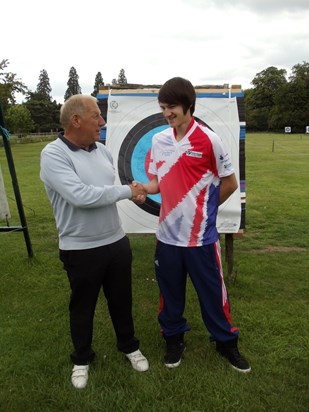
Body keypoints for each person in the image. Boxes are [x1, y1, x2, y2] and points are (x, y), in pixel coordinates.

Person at [40, 94, 149, 389]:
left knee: (121, 301)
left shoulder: (103, 151)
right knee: (82, 307)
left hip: (115, 242)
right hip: (80, 248)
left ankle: (129, 346)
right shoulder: (53, 154)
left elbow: (103, 190)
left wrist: (126, 190)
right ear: (75, 120)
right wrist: (129, 191)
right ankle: (81, 359)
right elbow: (81, 196)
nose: (102, 122)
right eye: (95, 117)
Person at [143, 77, 251, 373]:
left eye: (172, 107)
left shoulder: (209, 140)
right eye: (163, 107)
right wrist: (143, 187)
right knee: (170, 295)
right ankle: (174, 339)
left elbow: (228, 182)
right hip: (167, 237)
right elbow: (157, 182)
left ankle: (226, 344)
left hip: (201, 239)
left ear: (189, 105)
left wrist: (205, 210)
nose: (167, 113)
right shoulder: (158, 140)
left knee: (213, 295)